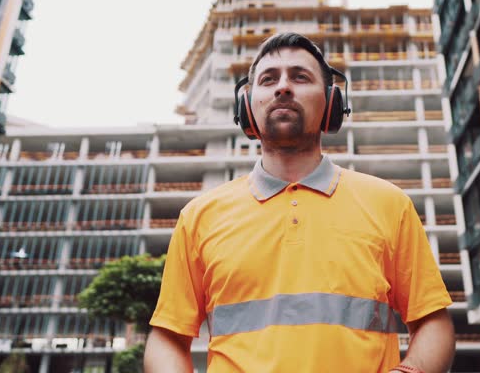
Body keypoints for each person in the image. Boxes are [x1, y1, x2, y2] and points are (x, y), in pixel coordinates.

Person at [144, 33, 456, 372]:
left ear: (330, 103)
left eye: (300, 76)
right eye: (268, 79)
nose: (282, 87)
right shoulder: (198, 218)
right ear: (247, 107)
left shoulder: (389, 205)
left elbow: (432, 322)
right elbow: (168, 338)